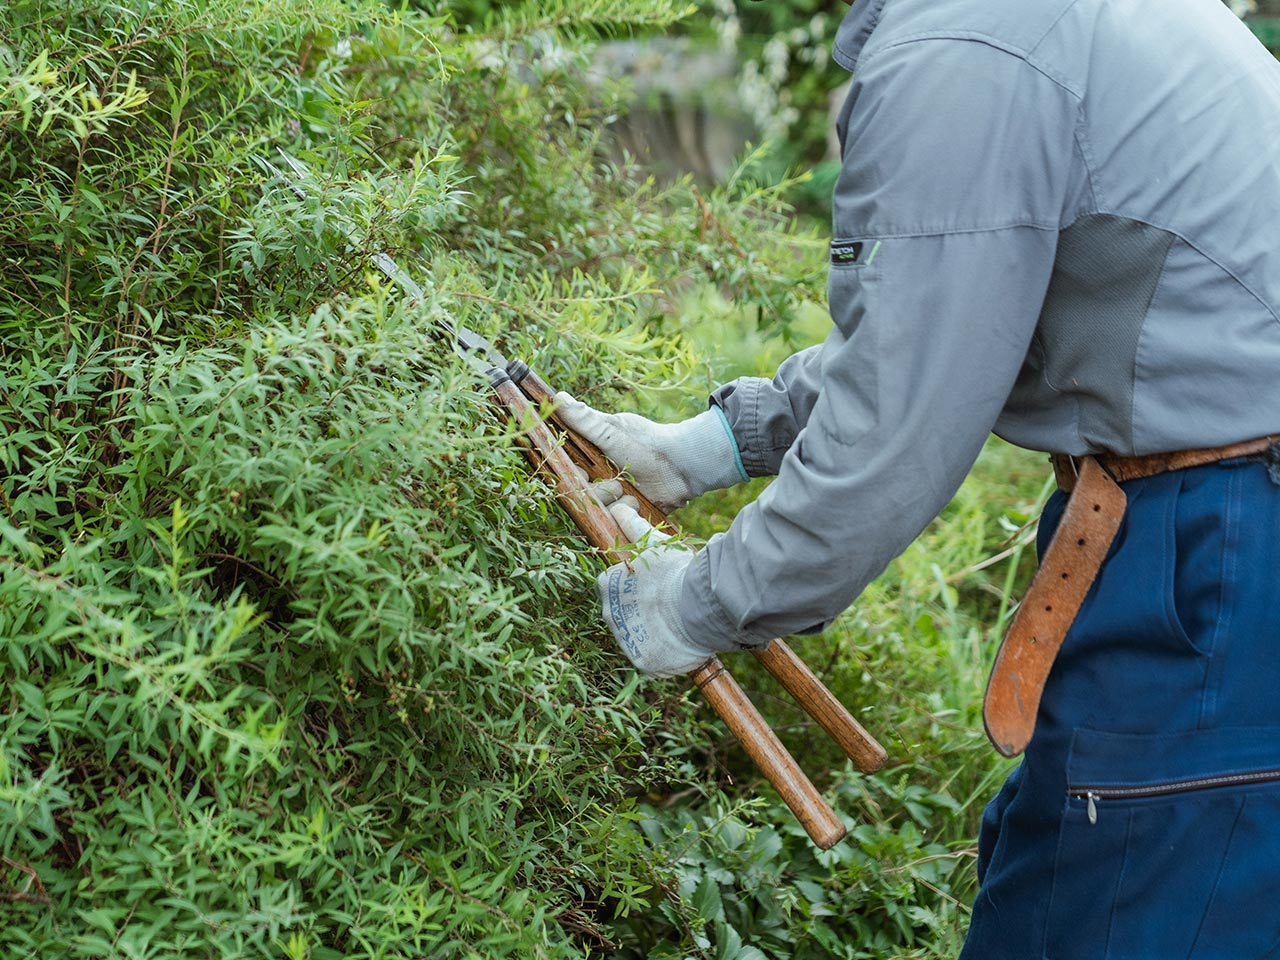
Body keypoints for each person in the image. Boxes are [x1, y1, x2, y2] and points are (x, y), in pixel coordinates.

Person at [556, 0, 1280, 955]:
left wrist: (698, 605)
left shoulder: (965, 48)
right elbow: (955, 324)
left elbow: (895, 425)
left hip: (1223, 552)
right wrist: (717, 446)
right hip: (1231, 522)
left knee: (1092, 920)